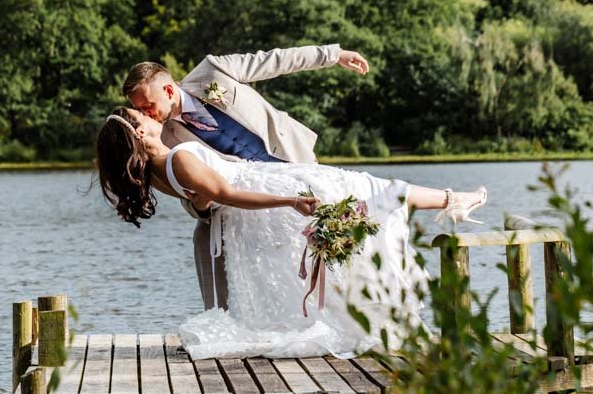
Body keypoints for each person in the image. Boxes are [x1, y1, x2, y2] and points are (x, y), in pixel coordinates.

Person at [95, 106, 487, 359]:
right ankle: (455, 201)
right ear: (139, 132)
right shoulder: (178, 160)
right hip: (271, 192)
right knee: (365, 188)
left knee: (362, 196)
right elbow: (227, 194)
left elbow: (205, 204)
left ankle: (452, 202)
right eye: (139, 115)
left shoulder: (154, 173)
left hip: (260, 202)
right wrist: (290, 201)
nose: (147, 114)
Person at [123, 44, 370, 312]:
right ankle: (226, 322)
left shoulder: (212, 71)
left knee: (337, 236)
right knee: (213, 241)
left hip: (295, 161)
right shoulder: (163, 139)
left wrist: (334, 55)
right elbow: (188, 195)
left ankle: (356, 305)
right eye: (141, 110)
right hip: (252, 199)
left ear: (169, 91)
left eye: (149, 106)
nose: (147, 114)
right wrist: (200, 206)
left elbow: (277, 61)